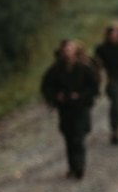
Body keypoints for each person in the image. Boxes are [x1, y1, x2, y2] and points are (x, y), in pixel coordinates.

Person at [40, 39, 100, 179]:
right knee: (68, 135)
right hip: (65, 107)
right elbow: (46, 87)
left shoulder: (85, 68)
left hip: (81, 106)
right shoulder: (55, 69)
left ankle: (80, 165)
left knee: (78, 135)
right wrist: (56, 97)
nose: (67, 52)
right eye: (65, 50)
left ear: (76, 51)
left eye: (70, 49)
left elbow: (94, 88)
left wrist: (80, 95)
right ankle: (72, 166)